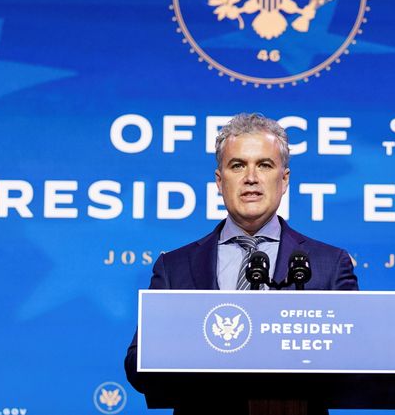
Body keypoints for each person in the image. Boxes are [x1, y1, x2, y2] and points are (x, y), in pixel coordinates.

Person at [124, 113, 358, 413]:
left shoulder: (329, 264)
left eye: (264, 165)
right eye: (238, 165)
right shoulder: (174, 267)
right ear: (220, 181)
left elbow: (353, 359)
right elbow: (137, 363)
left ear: (284, 180)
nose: (251, 177)